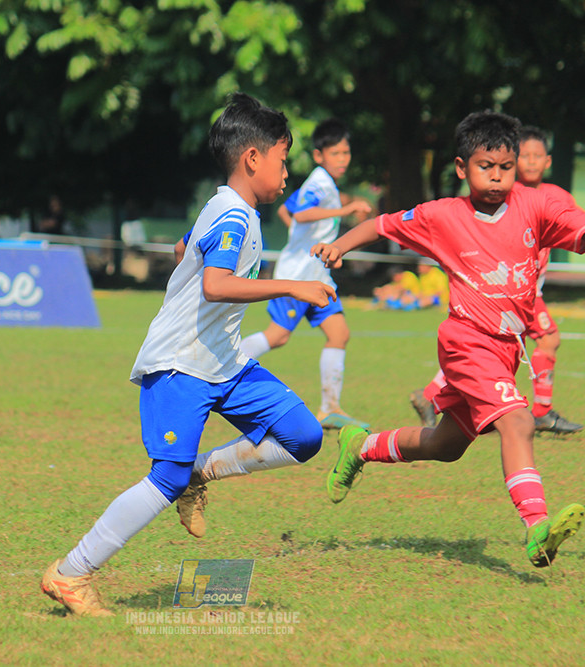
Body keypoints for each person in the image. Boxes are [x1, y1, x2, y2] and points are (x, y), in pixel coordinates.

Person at [314, 111, 585, 567]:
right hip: (466, 343)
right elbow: (382, 225)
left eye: (505, 168)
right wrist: (339, 246)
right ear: (461, 168)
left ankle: (361, 446)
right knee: (518, 422)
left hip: (505, 350)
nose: (496, 177)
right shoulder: (443, 216)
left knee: (445, 446)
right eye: (485, 167)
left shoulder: (536, 205)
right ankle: (536, 528)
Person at [41, 93, 334, 617]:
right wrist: (294, 286)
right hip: (180, 364)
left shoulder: (227, 206)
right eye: (283, 159)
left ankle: (202, 473)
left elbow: (185, 251)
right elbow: (217, 285)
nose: (288, 172)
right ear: (252, 158)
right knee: (164, 478)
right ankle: (72, 572)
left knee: (305, 436)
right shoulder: (234, 218)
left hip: (225, 361)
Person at [409, 127, 585, 434]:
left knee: (487, 354)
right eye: (524, 156)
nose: (530, 162)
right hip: (505, 291)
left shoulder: (553, 196)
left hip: (526, 290)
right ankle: (541, 412)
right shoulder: (500, 195)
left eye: (536, 156)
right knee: (544, 339)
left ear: (548, 161)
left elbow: (577, 224)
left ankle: (430, 397)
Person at [238, 118, 372, 431]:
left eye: (345, 153)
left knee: (339, 333)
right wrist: (344, 211)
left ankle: (329, 408)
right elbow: (299, 213)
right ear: (318, 155)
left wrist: (304, 241)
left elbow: (287, 212)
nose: (343, 159)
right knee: (278, 336)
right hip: (298, 277)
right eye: (335, 153)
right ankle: (223, 366)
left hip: (318, 276)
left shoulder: (323, 182)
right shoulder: (320, 183)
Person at [372, 262, 448, 310]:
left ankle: (399, 306)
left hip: (438, 299)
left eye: (421, 266)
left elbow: (440, 291)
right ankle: (394, 305)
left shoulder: (438, 275)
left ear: (428, 266)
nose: (419, 268)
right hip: (421, 295)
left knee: (419, 299)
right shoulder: (423, 276)